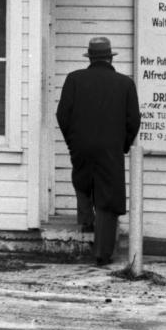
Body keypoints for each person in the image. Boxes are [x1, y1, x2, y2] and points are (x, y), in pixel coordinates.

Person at [56, 36, 141, 266]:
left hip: (81, 144)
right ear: (110, 58)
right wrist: (122, 145)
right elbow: (133, 120)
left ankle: (86, 221)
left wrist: (72, 142)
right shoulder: (125, 84)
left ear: (90, 58)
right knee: (108, 196)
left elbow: (62, 115)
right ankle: (102, 253)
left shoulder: (74, 79)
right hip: (111, 148)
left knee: (82, 178)